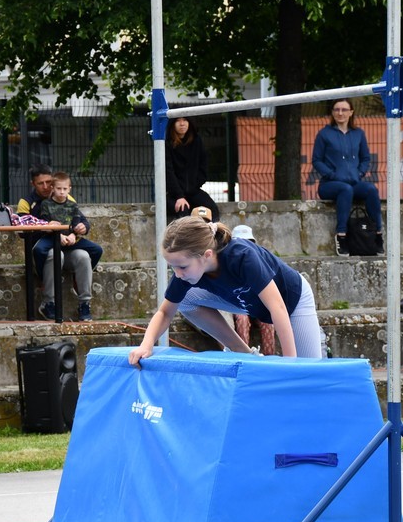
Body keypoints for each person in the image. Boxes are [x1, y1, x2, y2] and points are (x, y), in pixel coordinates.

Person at [128, 216, 324, 364]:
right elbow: (164, 312)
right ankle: (240, 350)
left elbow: (277, 307)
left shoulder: (242, 256)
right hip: (246, 300)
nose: (178, 274)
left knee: (309, 372)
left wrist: (290, 363)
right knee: (185, 300)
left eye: (182, 267)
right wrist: (146, 345)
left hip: (291, 301)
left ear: (206, 255)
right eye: (173, 267)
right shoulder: (186, 272)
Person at [312, 99, 383, 256]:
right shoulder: (324, 134)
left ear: (351, 112)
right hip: (329, 185)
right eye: (336, 109)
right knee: (345, 189)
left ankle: (377, 234)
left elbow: (365, 158)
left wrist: (359, 173)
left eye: (344, 110)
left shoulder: (358, 134)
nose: (340, 113)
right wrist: (332, 175)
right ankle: (341, 236)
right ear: (332, 112)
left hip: (353, 182)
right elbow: (316, 160)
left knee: (371, 189)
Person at [34, 172, 103, 322]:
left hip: (70, 243)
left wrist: (75, 234)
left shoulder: (72, 204)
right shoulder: (41, 204)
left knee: (87, 254)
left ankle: (84, 303)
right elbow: (38, 224)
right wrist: (56, 234)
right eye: (58, 188)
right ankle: (48, 302)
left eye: (65, 189)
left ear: (69, 189)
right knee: (48, 253)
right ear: (53, 188)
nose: (61, 192)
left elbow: (80, 222)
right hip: (52, 242)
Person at [230, 224, 277, 355]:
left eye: (249, 242)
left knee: (268, 320)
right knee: (242, 319)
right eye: (241, 241)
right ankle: (244, 354)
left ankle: (270, 357)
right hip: (238, 306)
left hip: (257, 304)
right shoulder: (230, 264)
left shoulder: (259, 261)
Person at [165, 117, 219, 222]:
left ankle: (214, 232)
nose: (182, 124)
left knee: (212, 209)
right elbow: (168, 172)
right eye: (178, 121)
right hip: (174, 194)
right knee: (183, 211)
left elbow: (203, 165)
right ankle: (185, 233)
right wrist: (179, 195)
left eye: (185, 120)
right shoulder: (167, 143)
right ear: (172, 124)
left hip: (194, 191)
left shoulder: (197, 141)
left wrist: (195, 185)